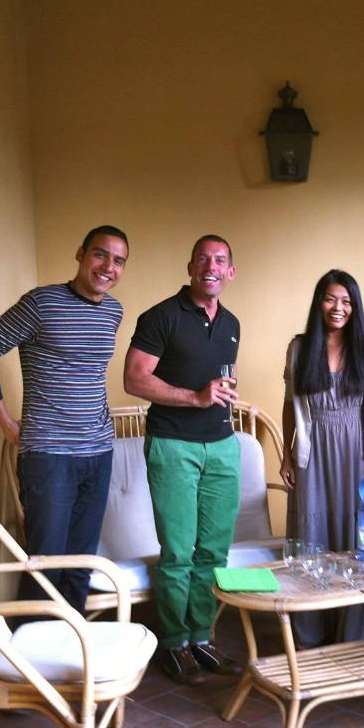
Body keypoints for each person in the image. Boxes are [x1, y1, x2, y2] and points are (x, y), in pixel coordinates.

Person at [0, 224, 129, 616]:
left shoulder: (114, 311)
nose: (108, 267)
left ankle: (69, 642)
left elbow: (89, 373)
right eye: (100, 254)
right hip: (49, 455)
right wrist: (5, 422)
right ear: (81, 254)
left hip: (99, 452)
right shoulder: (41, 303)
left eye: (119, 260)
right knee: (46, 564)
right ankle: (30, 643)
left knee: (81, 564)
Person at [123, 234, 243, 686]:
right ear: (190, 267)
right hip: (173, 444)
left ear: (230, 272)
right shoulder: (161, 317)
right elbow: (134, 379)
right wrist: (195, 397)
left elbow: (218, 382)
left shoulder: (231, 323)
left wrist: (218, 396)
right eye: (203, 259)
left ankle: (201, 637)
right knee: (177, 552)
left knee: (213, 552)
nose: (211, 267)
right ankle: (174, 643)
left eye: (220, 260)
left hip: (223, 445)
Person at [280, 270, 364, 647]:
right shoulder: (299, 348)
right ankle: (309, 635)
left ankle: (355, 635)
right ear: (318, 302)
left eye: (346, 301)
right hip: (313, 449)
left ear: (355, 308)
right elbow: (289, 405)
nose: (338, 308)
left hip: (356, 450)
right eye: (330, 299)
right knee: (313, 536)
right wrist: (287, 454)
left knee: (356, 535)